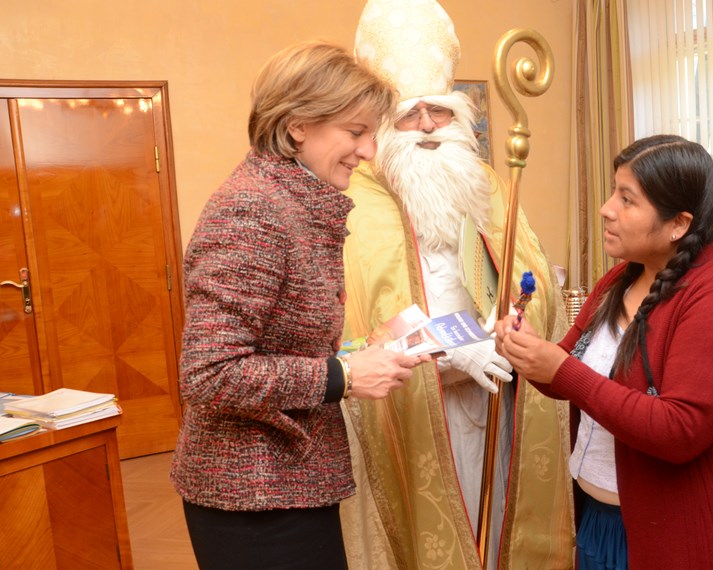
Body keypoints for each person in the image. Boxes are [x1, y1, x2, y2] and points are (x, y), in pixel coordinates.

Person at [495, 135, 713, 569]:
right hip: (610, 518)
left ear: (678, 224)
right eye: (613, 192)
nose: (607, 208)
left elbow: (679, 429)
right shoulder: (621, 281)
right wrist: (529, 352)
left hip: (708, 530)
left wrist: (561, 368)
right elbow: (568, 372)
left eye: (627, 199)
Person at [169, 40, 429, 570]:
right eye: (355, 132)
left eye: (371, 133)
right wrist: (344, 376)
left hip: (284, 483)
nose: (368, 150)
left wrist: (360, 350)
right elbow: (209, 373)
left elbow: (276, 342)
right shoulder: (253, 210)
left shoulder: (292, 201)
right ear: (297, 127)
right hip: (253, 496)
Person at [338, 1, 574, 568]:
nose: (424, 125)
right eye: (408, 112)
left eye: (438, 112)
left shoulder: (484, 183)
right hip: (416, 408)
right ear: (377, 122)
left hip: (496, 396)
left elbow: (531, 276)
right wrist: (449, 347)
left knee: (495, 533)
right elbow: (358, 319)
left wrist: (513, 323)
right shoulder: (354, 202)